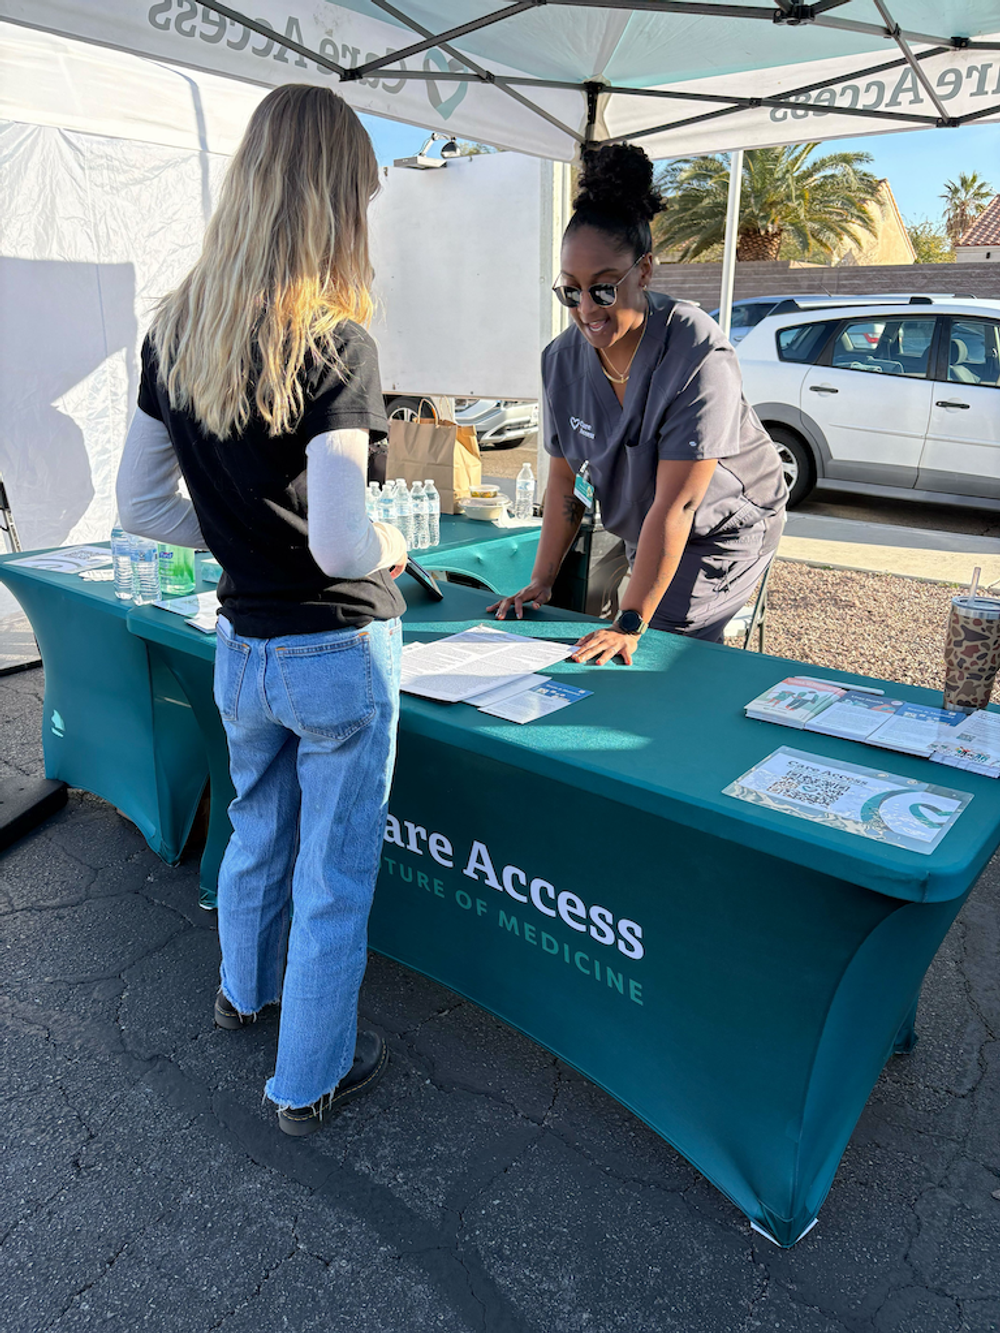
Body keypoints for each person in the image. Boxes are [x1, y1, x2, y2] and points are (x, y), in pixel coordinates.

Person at [115, 85, 407, 1136]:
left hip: (242, 644)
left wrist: (239, 544)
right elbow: (340, 543)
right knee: (332, 874)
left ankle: (243, 993)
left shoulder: (175, 330)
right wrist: (398, 545)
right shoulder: (338, 342)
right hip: (335, 646)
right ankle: (307, 1077)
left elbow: (141, 506)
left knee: (254, 829)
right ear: (335, 199)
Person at [490, 144, 787, 662]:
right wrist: (542, 580)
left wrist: (631, 620)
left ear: (644, 271)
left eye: (603, 290)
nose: (585, 310)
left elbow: (682, 503)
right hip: (646, 522)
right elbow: (565, 481)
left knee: (660, 644)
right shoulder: (561, 361)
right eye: (570, 291)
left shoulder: (697, 349)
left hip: (721, 526)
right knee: (629, 631)